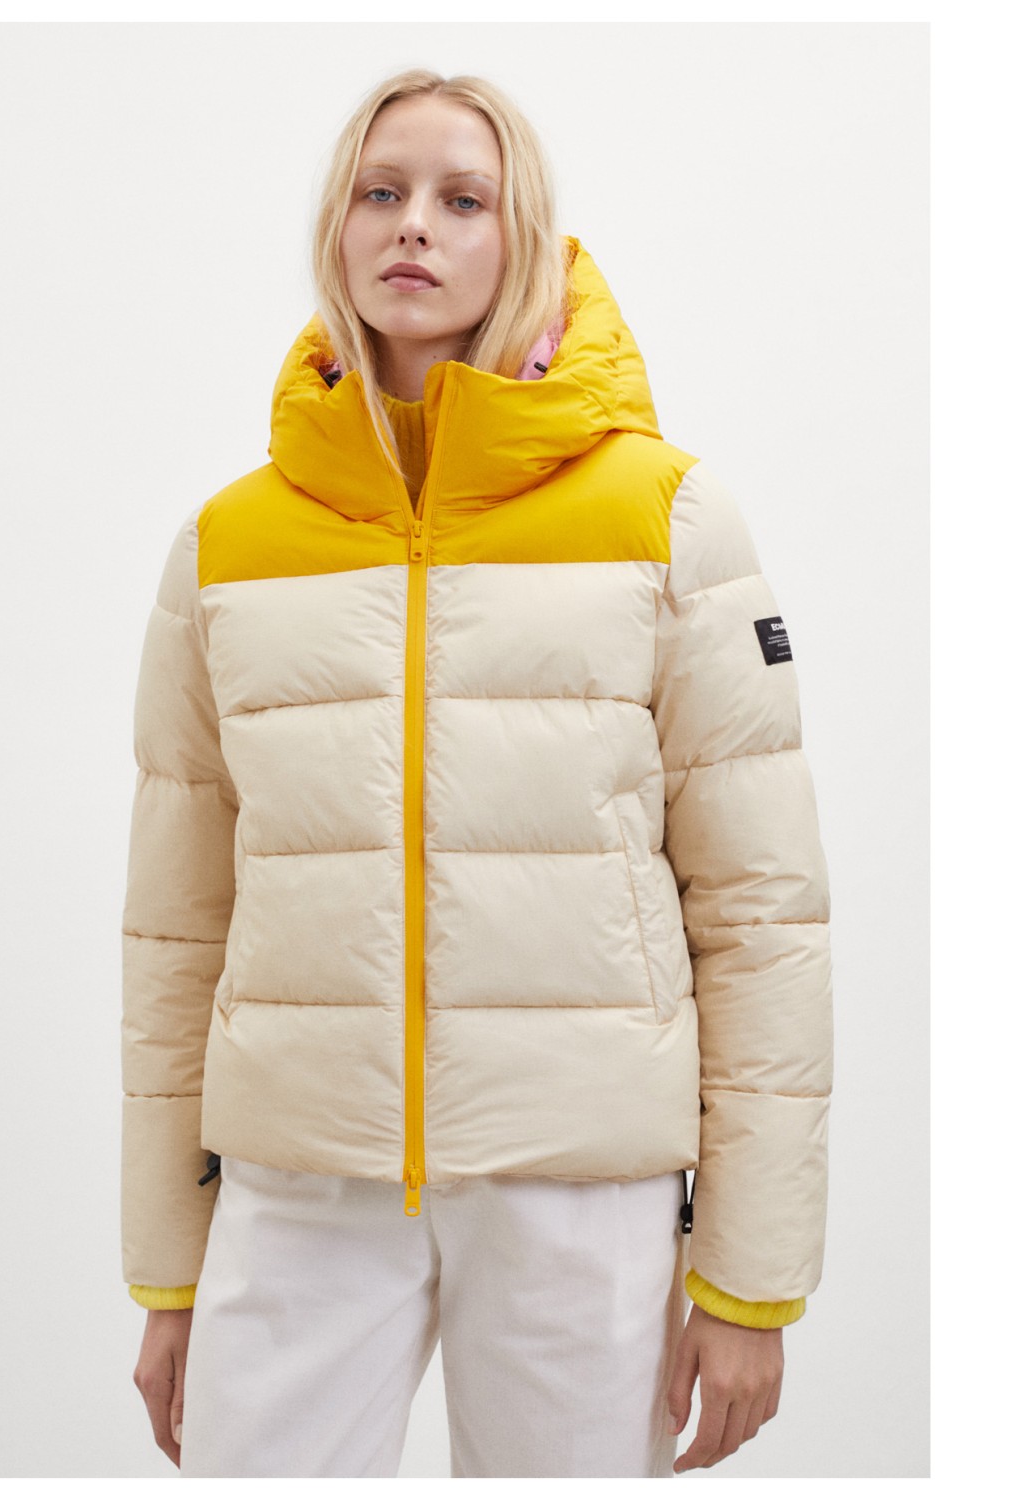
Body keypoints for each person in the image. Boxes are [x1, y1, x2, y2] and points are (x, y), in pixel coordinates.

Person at [120, 68, 833, 1480]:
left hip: (582, 1183)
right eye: (380, 192)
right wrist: (170, 1267)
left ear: (526, 237)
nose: (414, 225)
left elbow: (763, 912)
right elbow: (175, 929)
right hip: (299, 1176)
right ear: (336, 226)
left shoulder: (664, 517)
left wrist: (752, 1278)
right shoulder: (229, 545)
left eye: (463, 200)